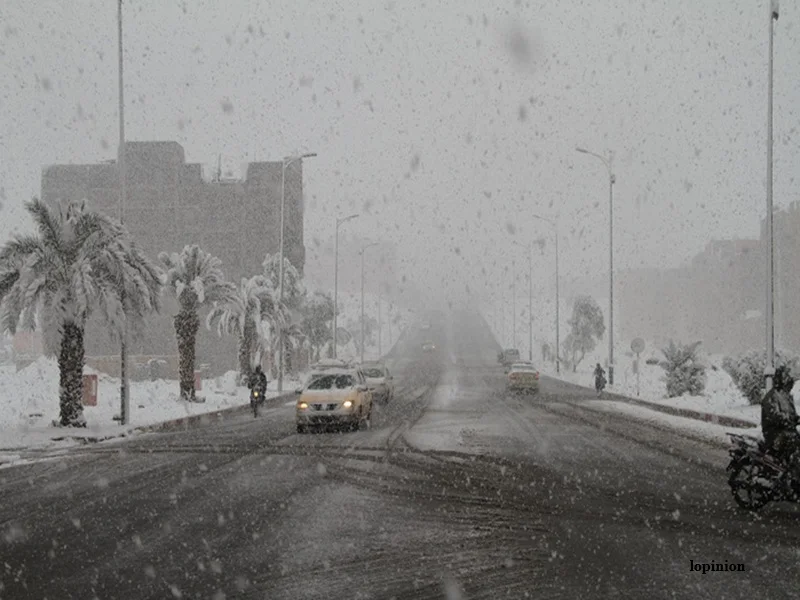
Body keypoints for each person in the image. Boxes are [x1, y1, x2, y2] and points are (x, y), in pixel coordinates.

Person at [761, 365, 800, 478]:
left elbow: (792, 415)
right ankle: (787, 475)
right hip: (774, 433)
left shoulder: (787, 397)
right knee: (793, 444)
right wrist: (787, 420)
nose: (790, 384)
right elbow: (774, 416)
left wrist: (796, 419)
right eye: (788, 381)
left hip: (787, 431)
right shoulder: (771, 397)